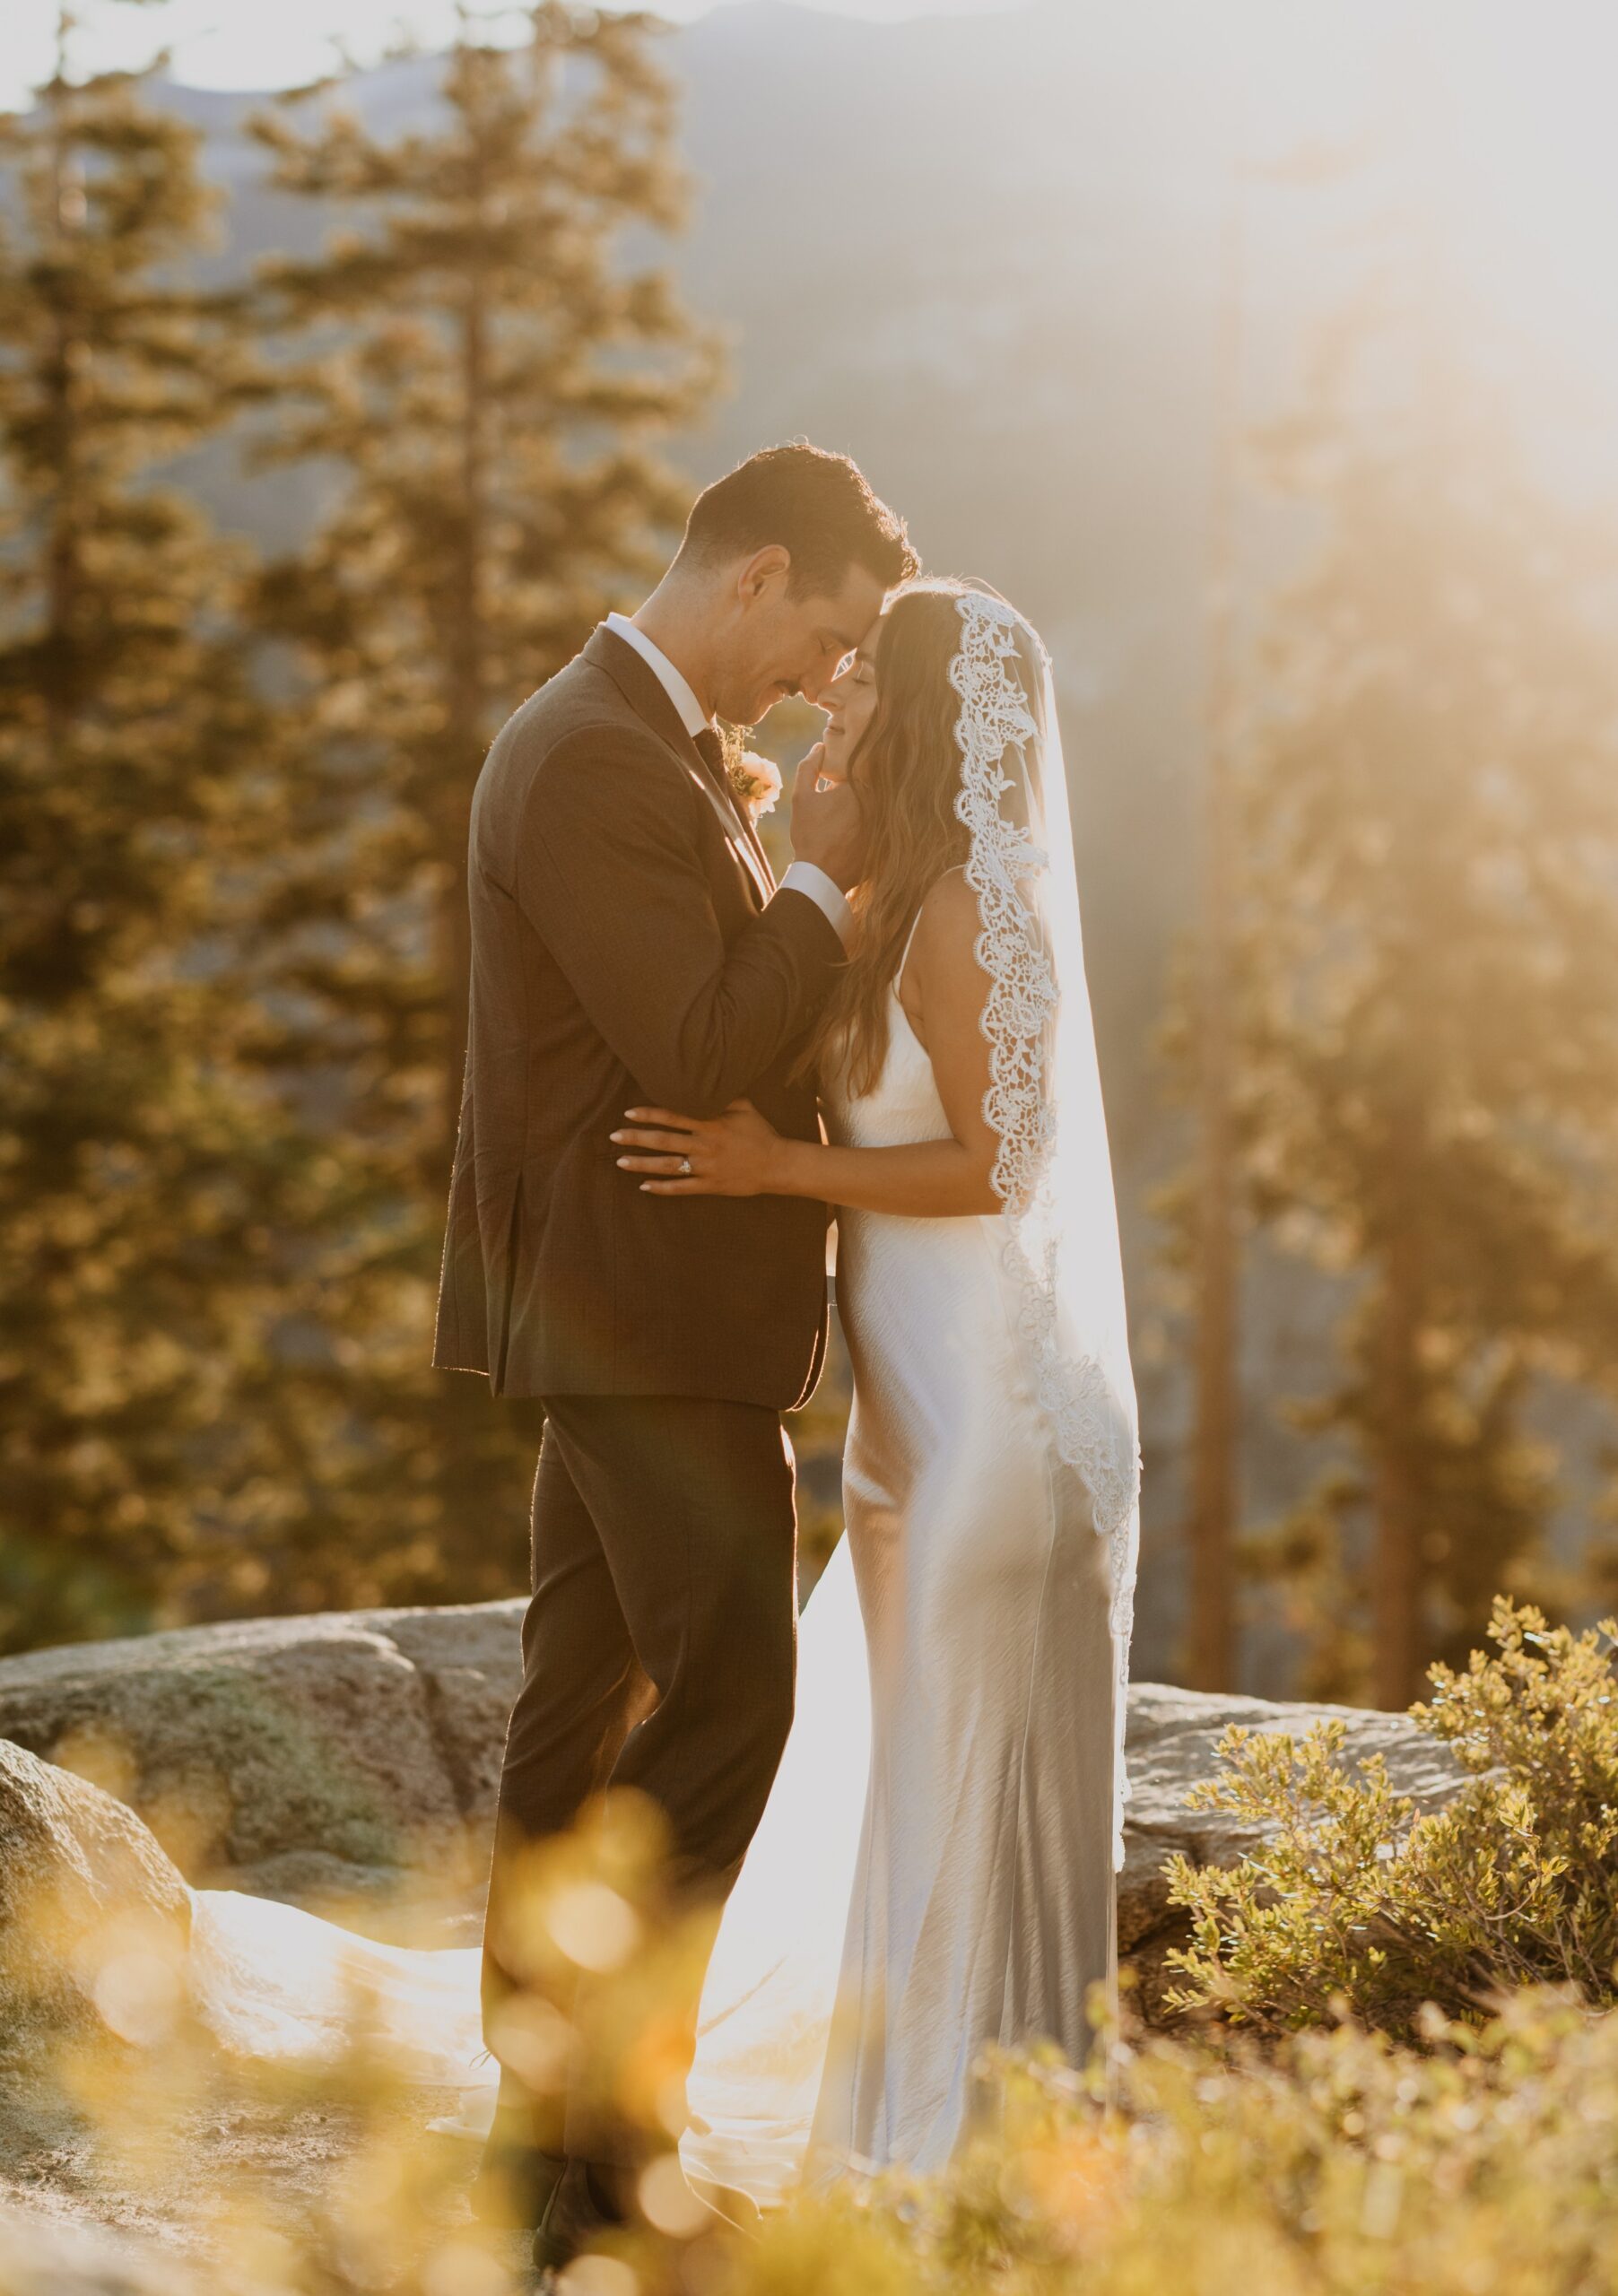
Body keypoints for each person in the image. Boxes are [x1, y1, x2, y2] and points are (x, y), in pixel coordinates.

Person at [430, 443, 918, 2267]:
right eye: (820, 633)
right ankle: (605, 2129)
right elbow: (692, 1038)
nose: (813, 675)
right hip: (638, 1311)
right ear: (751, 574)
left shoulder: (630, 740)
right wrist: (812, 881)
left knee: (574, 1711)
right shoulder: (586, 758)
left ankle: (534, 2143)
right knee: (737, 1698)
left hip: (630, 1307)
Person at [608, 580, 1142, 2196]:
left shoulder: (978, 906)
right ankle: (922, 2132)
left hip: (998, 1425)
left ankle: (954, 2165)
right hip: (914, 1422)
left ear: (919, 716)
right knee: (923, 1782)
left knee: (966, 1778)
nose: (829, 700)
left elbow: (1002, 1163)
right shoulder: (899, 888)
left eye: (855, 688)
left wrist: (775, 1169)